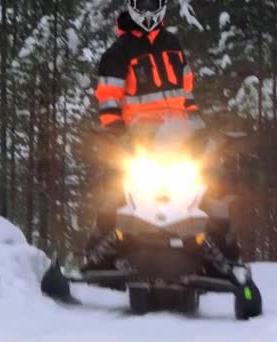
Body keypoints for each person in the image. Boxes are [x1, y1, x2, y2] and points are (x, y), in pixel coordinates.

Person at [82, 0, 205, 272]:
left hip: (176, 139)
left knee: (205, 193)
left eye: (153, 3)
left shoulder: (172, 43)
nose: (148, 10)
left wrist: (197, 126)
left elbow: (186, 91)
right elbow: (108, 97)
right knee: (118, 196)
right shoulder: (120, 51)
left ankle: (220, 256)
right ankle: (98, 257)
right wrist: (114, 131)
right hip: (139, 141)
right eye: (142, 3)